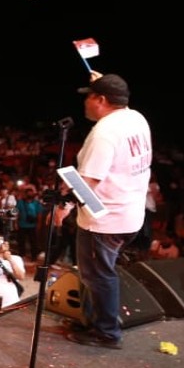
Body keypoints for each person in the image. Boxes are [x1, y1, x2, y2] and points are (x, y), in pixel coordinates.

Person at [65, 72, 152, 350]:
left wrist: (64, 205)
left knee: (98, 275)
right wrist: (105, 81)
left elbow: (88, 182)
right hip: (129, 214)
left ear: (101, 100)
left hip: (104, 221)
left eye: (89, 97)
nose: (85, 103)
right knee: (97, 273)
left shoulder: (104, 133)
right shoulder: (135, 118)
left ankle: (106, 332)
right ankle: (92, 320)